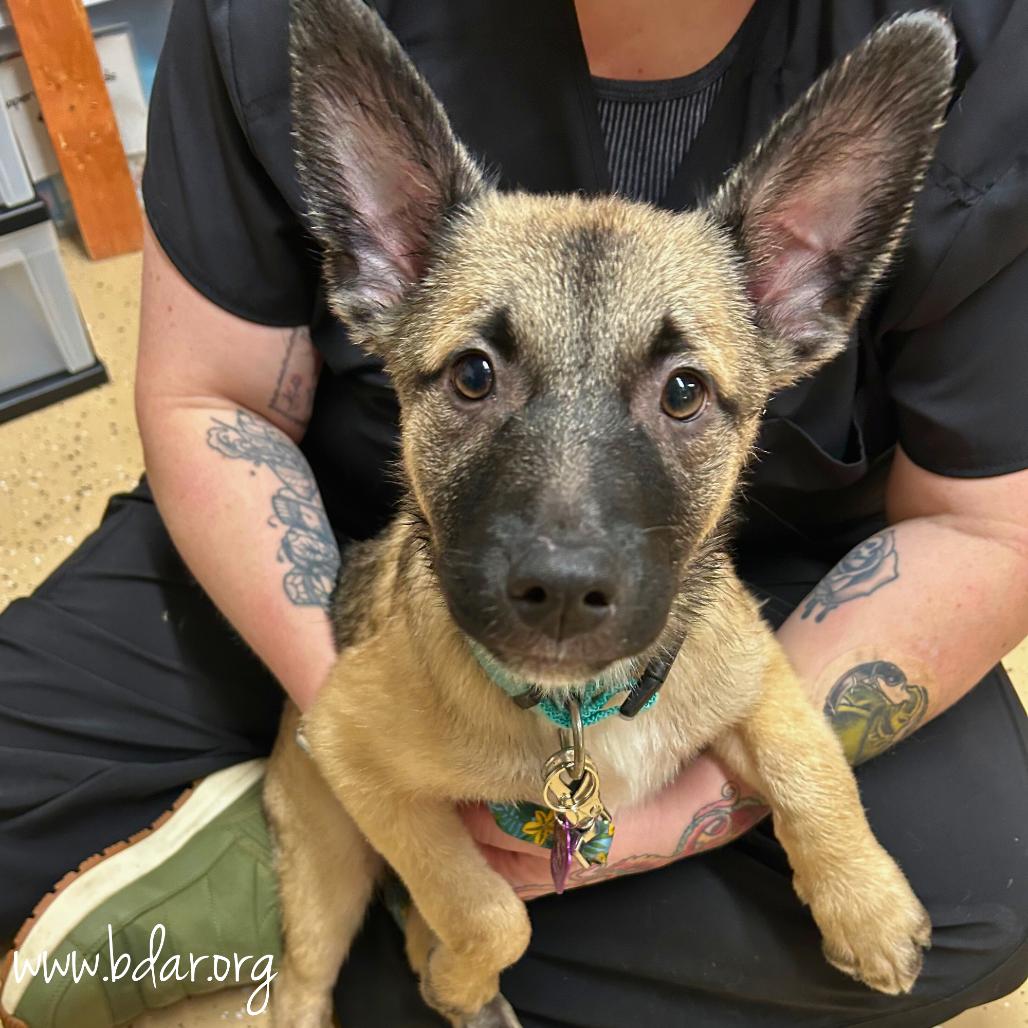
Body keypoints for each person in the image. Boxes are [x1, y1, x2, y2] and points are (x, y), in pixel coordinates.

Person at [2, 0, 1027, 1025]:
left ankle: (340, 944)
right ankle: (332, 934)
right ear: (383, 263)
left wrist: (674, 821)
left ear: (796, 303)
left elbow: (986, 527)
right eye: (476, 374)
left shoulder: (988, 39)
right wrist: (356, 732)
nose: (565, 554)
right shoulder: (259, 21)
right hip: (336, 571)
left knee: (987, 882)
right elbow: (206, 398)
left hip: (757, 576)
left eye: (679, 393)